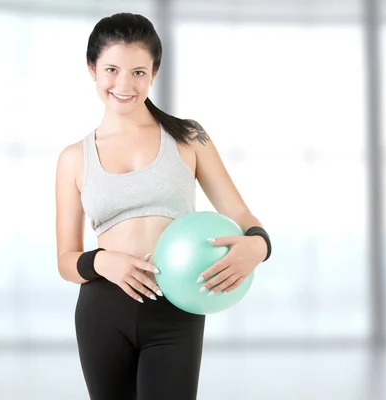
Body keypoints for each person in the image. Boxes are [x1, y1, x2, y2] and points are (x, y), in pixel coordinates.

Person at [55, 12, 271, 400]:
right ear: (92, 69)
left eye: (138, 72)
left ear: (154, 73)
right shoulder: (74, 158)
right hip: (102, 310)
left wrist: (260, 245)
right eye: (111, 69)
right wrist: (102, 260)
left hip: (176, 310)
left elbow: (240, 214)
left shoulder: (189, 138)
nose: (124, 84)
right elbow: (66, 261)